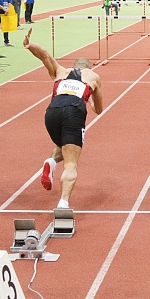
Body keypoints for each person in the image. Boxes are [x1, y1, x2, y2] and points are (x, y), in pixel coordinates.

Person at [26, 30, 106, 209]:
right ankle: (63, 203)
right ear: (89, 67)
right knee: (71, 161)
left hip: (52, 112)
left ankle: (52, 162)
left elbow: (44, 55)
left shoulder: (60, 71)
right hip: (73, 111)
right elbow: (99, 109)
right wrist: (90, 97)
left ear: (74, 65)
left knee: (63, 146)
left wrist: (29, 45)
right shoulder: (93, 77)